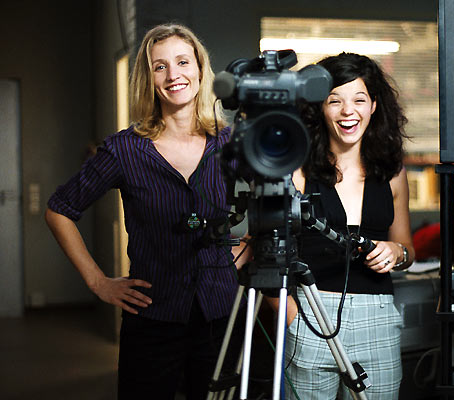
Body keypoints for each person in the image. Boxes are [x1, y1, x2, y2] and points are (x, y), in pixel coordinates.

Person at [45, 23, 244, 400]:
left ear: (200, 69)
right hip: (152, 317)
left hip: (220, 315)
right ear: (148, 78)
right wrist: (98, 282)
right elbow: (59, 210)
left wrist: (248, 245)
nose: (173, 75)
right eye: (160, 66)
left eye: (183, 62)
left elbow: (283, 191)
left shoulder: (229, 142)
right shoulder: (124, 150)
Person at [284, 52, 415, 399]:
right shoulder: (297, 171)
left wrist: (396, 252)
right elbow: (268, 252)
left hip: (378, 319)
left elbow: (408, 249)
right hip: (312, 315)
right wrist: (292, 318)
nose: (348, 111)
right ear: (319, 108)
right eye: (335, 101)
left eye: (359, 99)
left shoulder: (393, 172)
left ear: (373, 106)